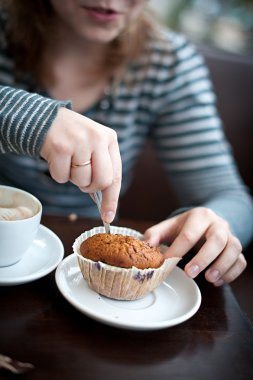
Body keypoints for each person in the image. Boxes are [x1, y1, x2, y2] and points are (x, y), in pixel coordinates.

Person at [0, 0, 252, 287]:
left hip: (87, 280)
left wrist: (215, 224)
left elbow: (232, 197)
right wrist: (26, 117)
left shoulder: (168, 63)